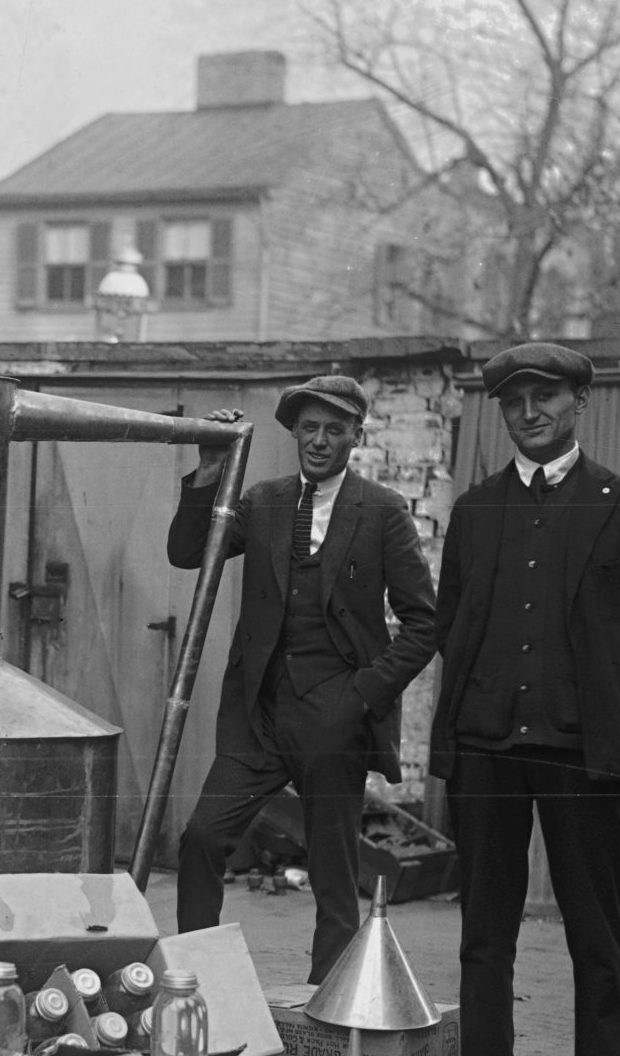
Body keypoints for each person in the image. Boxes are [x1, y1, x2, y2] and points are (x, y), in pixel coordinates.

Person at [416, 342, 620, 1056]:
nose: (529, 412)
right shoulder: (476, 510)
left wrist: (597, 688)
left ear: (577, 402)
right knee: (482, 934)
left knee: (594, 937)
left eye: (545, 397)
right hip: (487, 749)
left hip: (579, 755)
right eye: (513, 401)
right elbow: (455, 624)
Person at [167, 375, 438, 981]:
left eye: (335, 430)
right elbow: (189, 552)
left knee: (335, 876)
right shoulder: (262, 500)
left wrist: (360, 696)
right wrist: (210, 469)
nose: (319, 441)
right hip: (257, 718)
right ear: (294, 432)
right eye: (310, 428)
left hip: (333, 720)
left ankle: (327, 1017)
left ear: (356, 437)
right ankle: (198, 988)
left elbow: (425, 626)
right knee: (203, 839)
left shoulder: (383, 512)